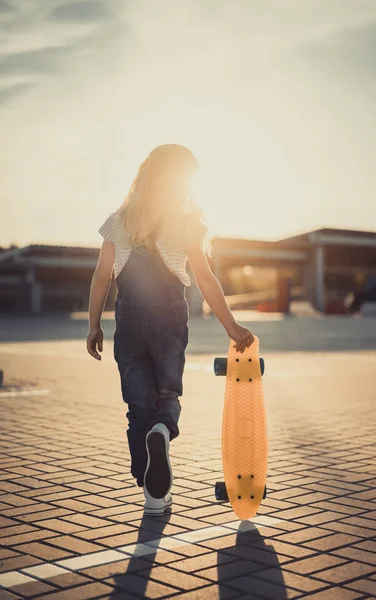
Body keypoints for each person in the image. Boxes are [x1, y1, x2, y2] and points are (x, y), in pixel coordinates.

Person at [87, 144, 255, 516]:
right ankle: (162, 433)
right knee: (167, 397)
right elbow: (206, 279)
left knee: (137, 407)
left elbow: (102, 276)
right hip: (169, 319)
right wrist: (231, 325)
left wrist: (94, 324)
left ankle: (151, 491)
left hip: (128, 321)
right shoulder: (185, 222)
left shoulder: (120, 219)